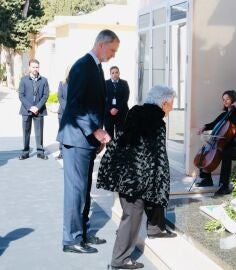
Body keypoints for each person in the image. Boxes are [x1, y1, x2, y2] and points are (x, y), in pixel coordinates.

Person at [97, 85, 177, 270]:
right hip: (134, 175)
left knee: (149, 199)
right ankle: (119, 260)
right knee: (132, 215)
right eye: (171, 104)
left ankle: (156, 229)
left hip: (122, 170)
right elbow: (157, 155)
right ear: (164, 103)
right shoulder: (157, 121)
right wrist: (161, 179)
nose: (172, 108)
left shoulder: (136, 111)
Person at [57, 29, 119, 254]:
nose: (113, 55)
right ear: (102, 44)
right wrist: (96, 131)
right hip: (76, 139)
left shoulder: (95, 67)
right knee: (76, 190)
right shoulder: (83, 66)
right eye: (112, 49)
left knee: (84, 190)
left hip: (87, 140)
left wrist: (98, 134)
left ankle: (82, 233)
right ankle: (71, 239)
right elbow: (75, 105)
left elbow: (94, 105)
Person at [196, 90, 236, 195]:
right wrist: (204, 127)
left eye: (227, 99)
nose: (225, 101)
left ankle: (224, 186)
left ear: (233, 99)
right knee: (206, 151)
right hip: (226, 143)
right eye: (223, 99)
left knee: (225, 154)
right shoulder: (224, 114)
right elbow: (214, 124)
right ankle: (206, 179)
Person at [18, 59, 49, 160]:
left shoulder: (44, 80)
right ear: (29, 68)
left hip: (39, 111)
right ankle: (25, 152)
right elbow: (21, 96)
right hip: (26, 110)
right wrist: (30, 107)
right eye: (33, 67)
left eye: (37, 67)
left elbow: (46, 95)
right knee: (26, 132)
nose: (35, 69)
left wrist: (37, 107)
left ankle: (40, 152)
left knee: (39, 132)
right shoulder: (23, 80)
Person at [104, 66, 130, 138]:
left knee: (121, 135)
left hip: (121, 113)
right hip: (108, 114)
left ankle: (119, 149)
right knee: (109, 135)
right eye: (113, 73)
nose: (115, 74)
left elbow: (126, 97)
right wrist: (110, 109)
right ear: (110, 74)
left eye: (116, 72)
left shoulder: (124, 83)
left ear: (119, 73)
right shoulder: (105, 83)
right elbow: (103, 98)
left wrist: (117, 109)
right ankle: (110, 149)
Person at [56, 67, 70, 160]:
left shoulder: (78, 83)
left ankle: (69, 152)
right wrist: (67, 108)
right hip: (63, 112)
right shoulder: (62, 83)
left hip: (74, 113)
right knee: (62, 131)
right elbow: (60, 97)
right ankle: (61, 151)